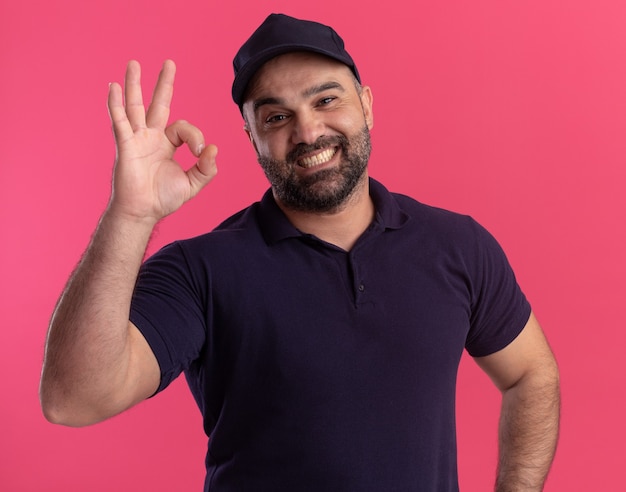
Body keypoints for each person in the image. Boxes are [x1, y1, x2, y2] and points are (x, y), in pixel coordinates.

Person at [40, 13, 560, 492]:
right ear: (251, 137)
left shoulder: (457, 246)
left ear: (367, 105)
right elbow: (74, 398)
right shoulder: (200, 271)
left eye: (326, 100)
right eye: (275, 117)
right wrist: (130, 215)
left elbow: (530, 373)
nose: (308, 131)